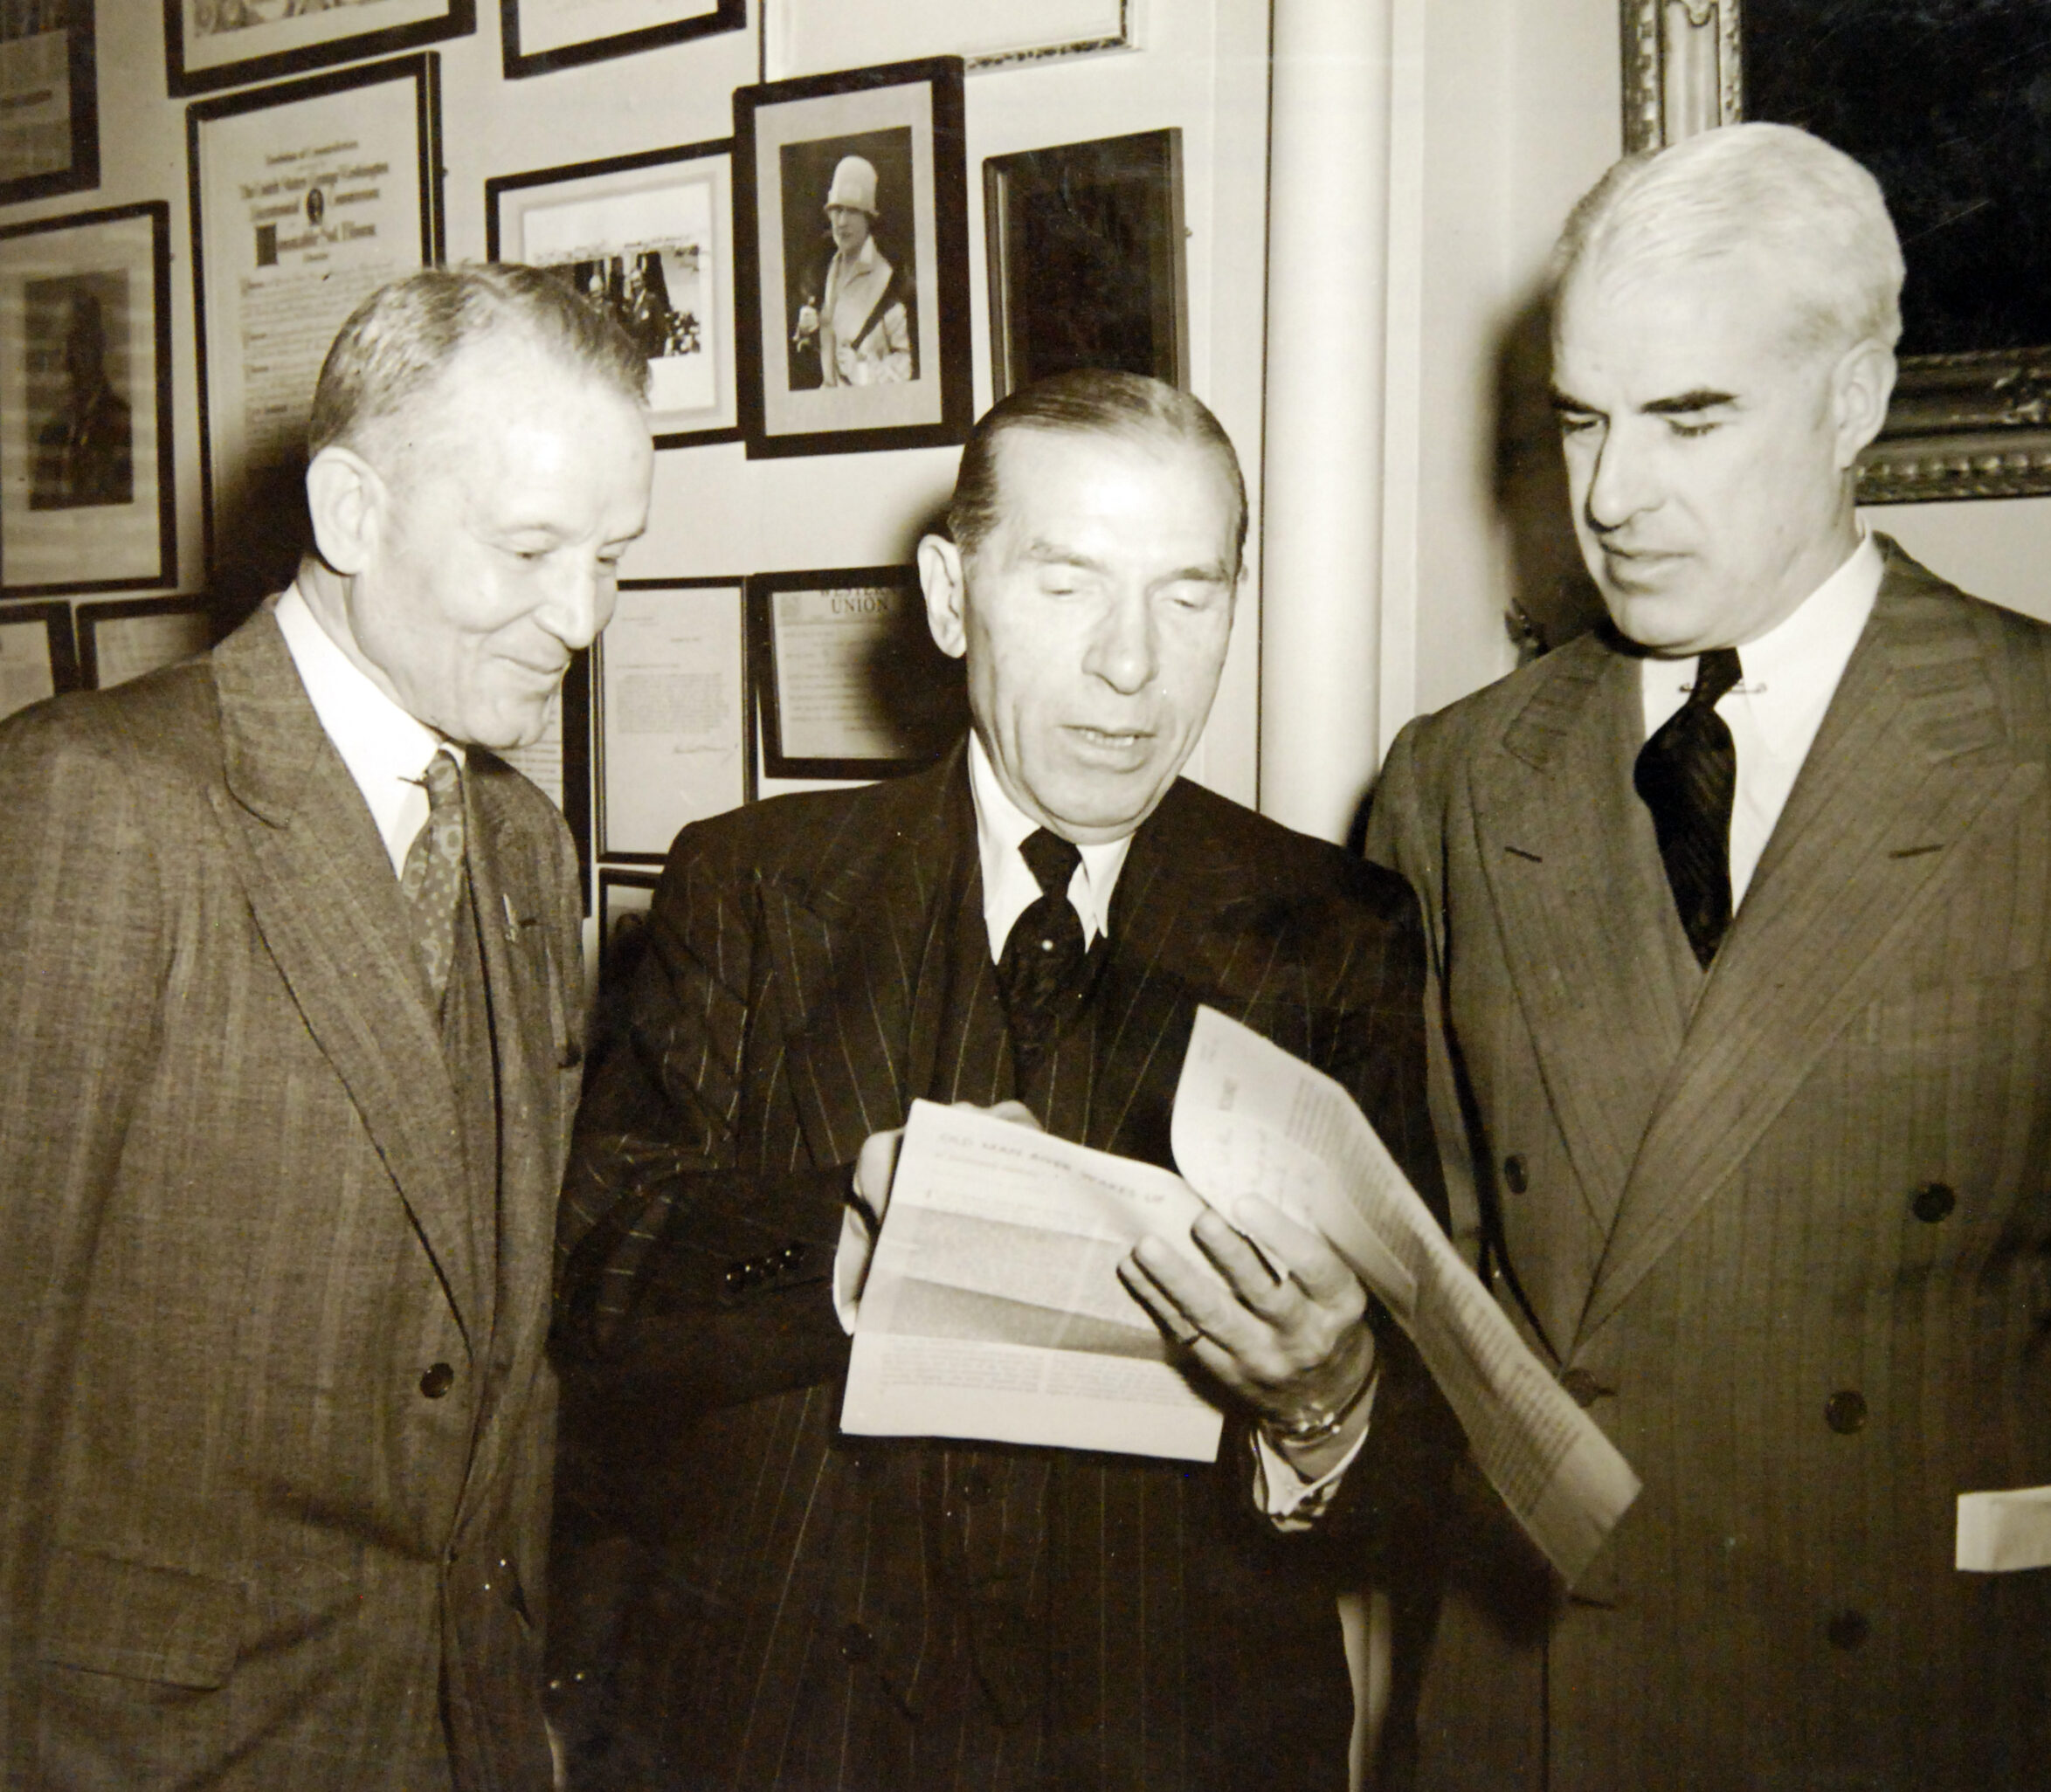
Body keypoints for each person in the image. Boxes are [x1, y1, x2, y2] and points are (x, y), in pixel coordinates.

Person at [1369, 122, 2051, 1789]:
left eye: (1692, 418)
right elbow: (1441, 1274)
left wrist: (2035, 1639)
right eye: (1581, 418)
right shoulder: (1456, 780)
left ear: (1854, 399)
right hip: (1551, 1708)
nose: (1613, 495)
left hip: (1936, 1703)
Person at [549, 369, 1456, 1792]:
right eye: (1067, 585)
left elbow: (1430, 1461)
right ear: (952, 596)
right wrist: (847, 1238)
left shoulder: (1338, 928)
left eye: (1189, 592)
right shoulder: (753, 887)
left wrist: (1328, 1401)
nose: (1130, 664)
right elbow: (597, 1290)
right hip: (787, 1738)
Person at [0, 263, 654, 1789]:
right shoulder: (92, 804)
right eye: (530, 550)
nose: (579, 618)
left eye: (613, 558)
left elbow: (507, 1362)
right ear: (351, 515)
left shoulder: (522, 846)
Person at [791, 151, 914, 387]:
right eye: (836, 210)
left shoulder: (888, 281)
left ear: (869, 217)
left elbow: (907, 364)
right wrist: (808, 332)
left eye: (852, 211)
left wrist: (862, 372)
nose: (841, 222)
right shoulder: (826, 269)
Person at [30, 286, 132, 510]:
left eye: (75, 342)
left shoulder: (125, 428)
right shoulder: (51, 434)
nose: (65, 361)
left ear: (98, 345)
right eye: (58, 347)